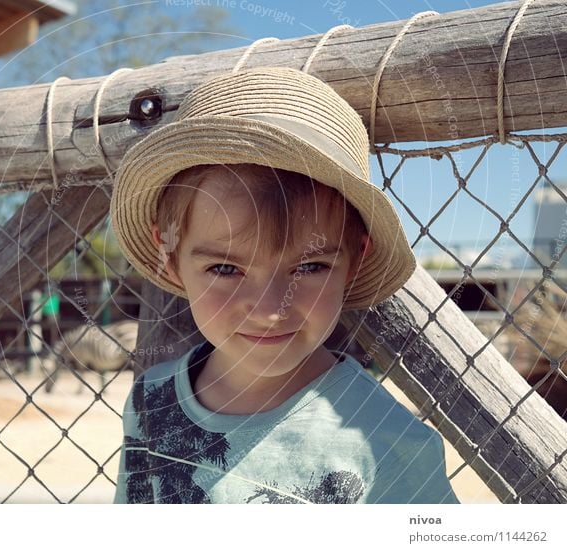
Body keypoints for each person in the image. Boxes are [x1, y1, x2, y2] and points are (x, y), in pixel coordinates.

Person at [109, 66, 459, 504]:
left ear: (356, 259)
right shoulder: (150, 400)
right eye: (224, 269)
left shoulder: (388, 446)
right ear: (171, 258)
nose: (268, 309)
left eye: (309, 267)